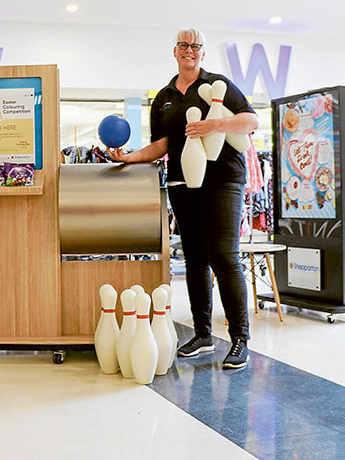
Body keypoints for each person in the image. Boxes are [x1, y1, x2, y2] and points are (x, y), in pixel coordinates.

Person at [107, 28, 259, 370]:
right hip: (181, 180)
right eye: (183, 45)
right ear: (174, 51)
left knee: (224, 256)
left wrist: (214, 125)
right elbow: (162, 144)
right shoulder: (163, 97)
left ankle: (240, 339)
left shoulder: (218, 84)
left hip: (222, 180)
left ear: (202, 53)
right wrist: (130, 158)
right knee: (194, 259)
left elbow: (251, 120)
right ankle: (203, 334)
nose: (189, 50)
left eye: (195, 46)